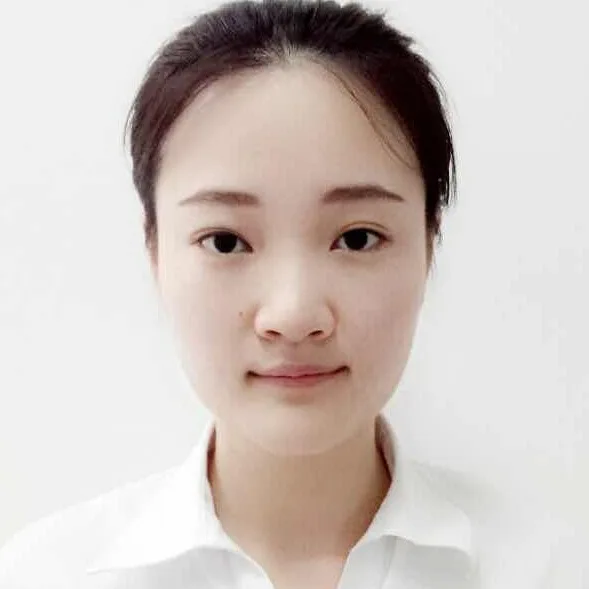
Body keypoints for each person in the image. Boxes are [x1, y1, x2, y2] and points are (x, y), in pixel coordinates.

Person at [0, 0, 582, 587]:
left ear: (429, 245)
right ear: (155, 252)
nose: (294, 314)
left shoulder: (548, 569)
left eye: (357, 238)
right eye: (226, 241)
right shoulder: (47, 575)